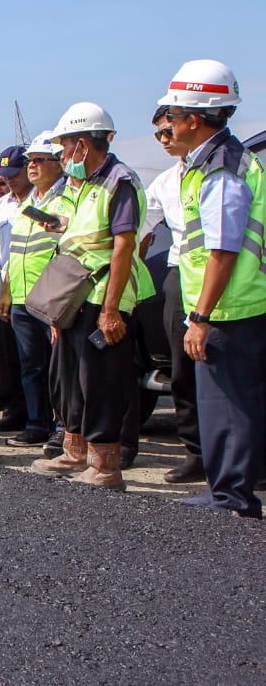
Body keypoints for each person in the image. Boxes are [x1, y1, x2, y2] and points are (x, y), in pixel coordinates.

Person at [160, 60, 266, 518]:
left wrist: (200, 317)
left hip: (229, 309)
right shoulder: (214, 161)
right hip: (228, 306)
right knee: (223, 404)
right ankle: (226, 491)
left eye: (174, 110)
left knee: (229, 406)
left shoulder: (221, 168)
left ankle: (234, 497)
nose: (168, 120)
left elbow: (222, 251)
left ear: (195, 118)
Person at [31, 102, 153, 491]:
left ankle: (105, 465)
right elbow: (83, 233)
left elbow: (122, 245)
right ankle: (77, 448)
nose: (62, 156)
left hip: (103, 295)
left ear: (83, 144)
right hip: (74, 295)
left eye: (65, 147)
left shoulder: (120, 180)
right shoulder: (85, 185)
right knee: (69, 378)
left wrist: (112, 310)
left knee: (100, 379)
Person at [139, 108, 201, 484]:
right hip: (181, 277)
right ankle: (198, 454)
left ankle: (250, 458)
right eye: (158, 134)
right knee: (184, 372)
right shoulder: (164, 182)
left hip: (227, 276)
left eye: (168, 130)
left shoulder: (229, 168)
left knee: (233, 376)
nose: (164, 138)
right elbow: (140, 226)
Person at [0, 132, 68, 448]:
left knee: (60, 366)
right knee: (31, 366)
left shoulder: (65, 199)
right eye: (31, 161)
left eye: (39, 160)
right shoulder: (27, 205)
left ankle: (64, 427)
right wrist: (7, 292)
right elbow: (16, 252)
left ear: (58, 163)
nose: (33, 166)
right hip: (23, 298)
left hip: (52, 298)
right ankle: (37, 423)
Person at [0, 145, 29, 432]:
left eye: (12, 177)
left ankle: (35, 416)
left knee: (27, 356)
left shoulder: (38, 202)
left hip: (25, 287)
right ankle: (13, 411)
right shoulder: (1, 206)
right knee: (8, 356)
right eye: (0, 179)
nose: (6, 184)